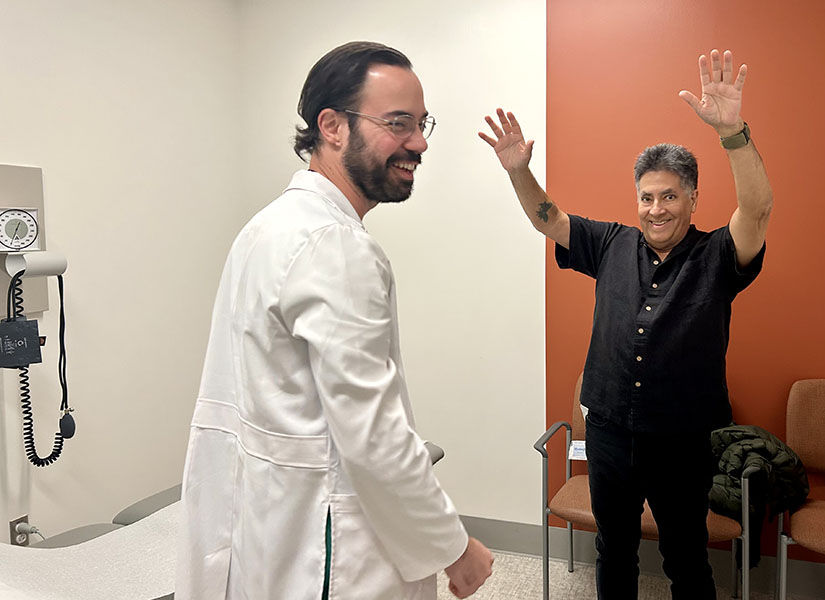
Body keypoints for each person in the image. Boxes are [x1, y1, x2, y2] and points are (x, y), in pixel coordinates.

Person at [177, 41, 493, 600]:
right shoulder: (335, 244)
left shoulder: (269, 225)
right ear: (332, 127)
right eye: (397, 123)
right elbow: (372, 433)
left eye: (422, 124)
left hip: (273, 528)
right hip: (329, 551)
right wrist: (453, 546)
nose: (419, 143)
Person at [480, 49, 772, 599]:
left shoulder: (717, 255)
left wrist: (732, 134)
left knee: (686, 556)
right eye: (647, 197)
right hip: (609, 432)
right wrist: (519, 171)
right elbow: (550, 218)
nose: (656, 209)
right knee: (613, 550)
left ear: (693, 198)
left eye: (670, 196)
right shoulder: (611, 243)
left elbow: (756, 210)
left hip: (682, 441)